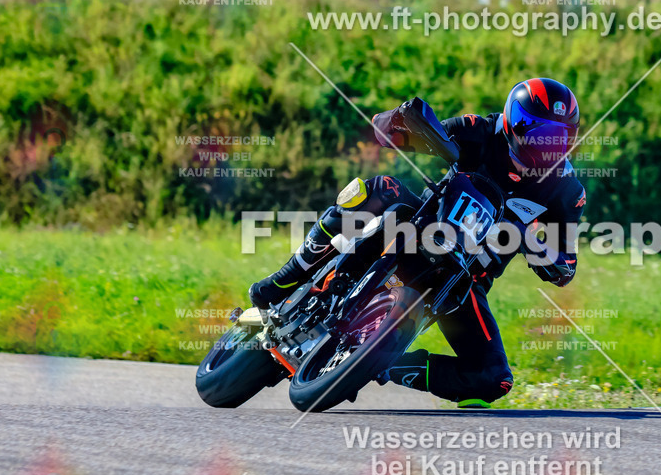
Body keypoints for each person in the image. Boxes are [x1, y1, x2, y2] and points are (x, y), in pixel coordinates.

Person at [248, 78, 587, 408]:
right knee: (380, 189)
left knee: (492, 379)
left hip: (464, 281)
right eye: (539, 133)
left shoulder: (566, 191)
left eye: (559, 137)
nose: (547, 145)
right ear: (514, 123)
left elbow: (566, 267)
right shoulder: (481, 130)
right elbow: (389, 131)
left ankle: (382, 363)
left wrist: (533, 243)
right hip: (422, 222)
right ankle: (288, 276)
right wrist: (402, 119)